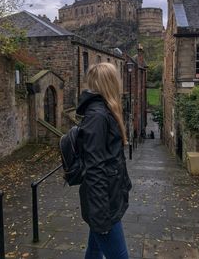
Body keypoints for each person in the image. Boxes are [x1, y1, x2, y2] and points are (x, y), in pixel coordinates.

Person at [76, 62, 132, 259]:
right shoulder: (97, 117)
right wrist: (101, 217)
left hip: (109, 197)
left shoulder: (104, 111)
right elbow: (94, 169)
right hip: (103, 204)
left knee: (94, 251)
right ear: (110, 83)